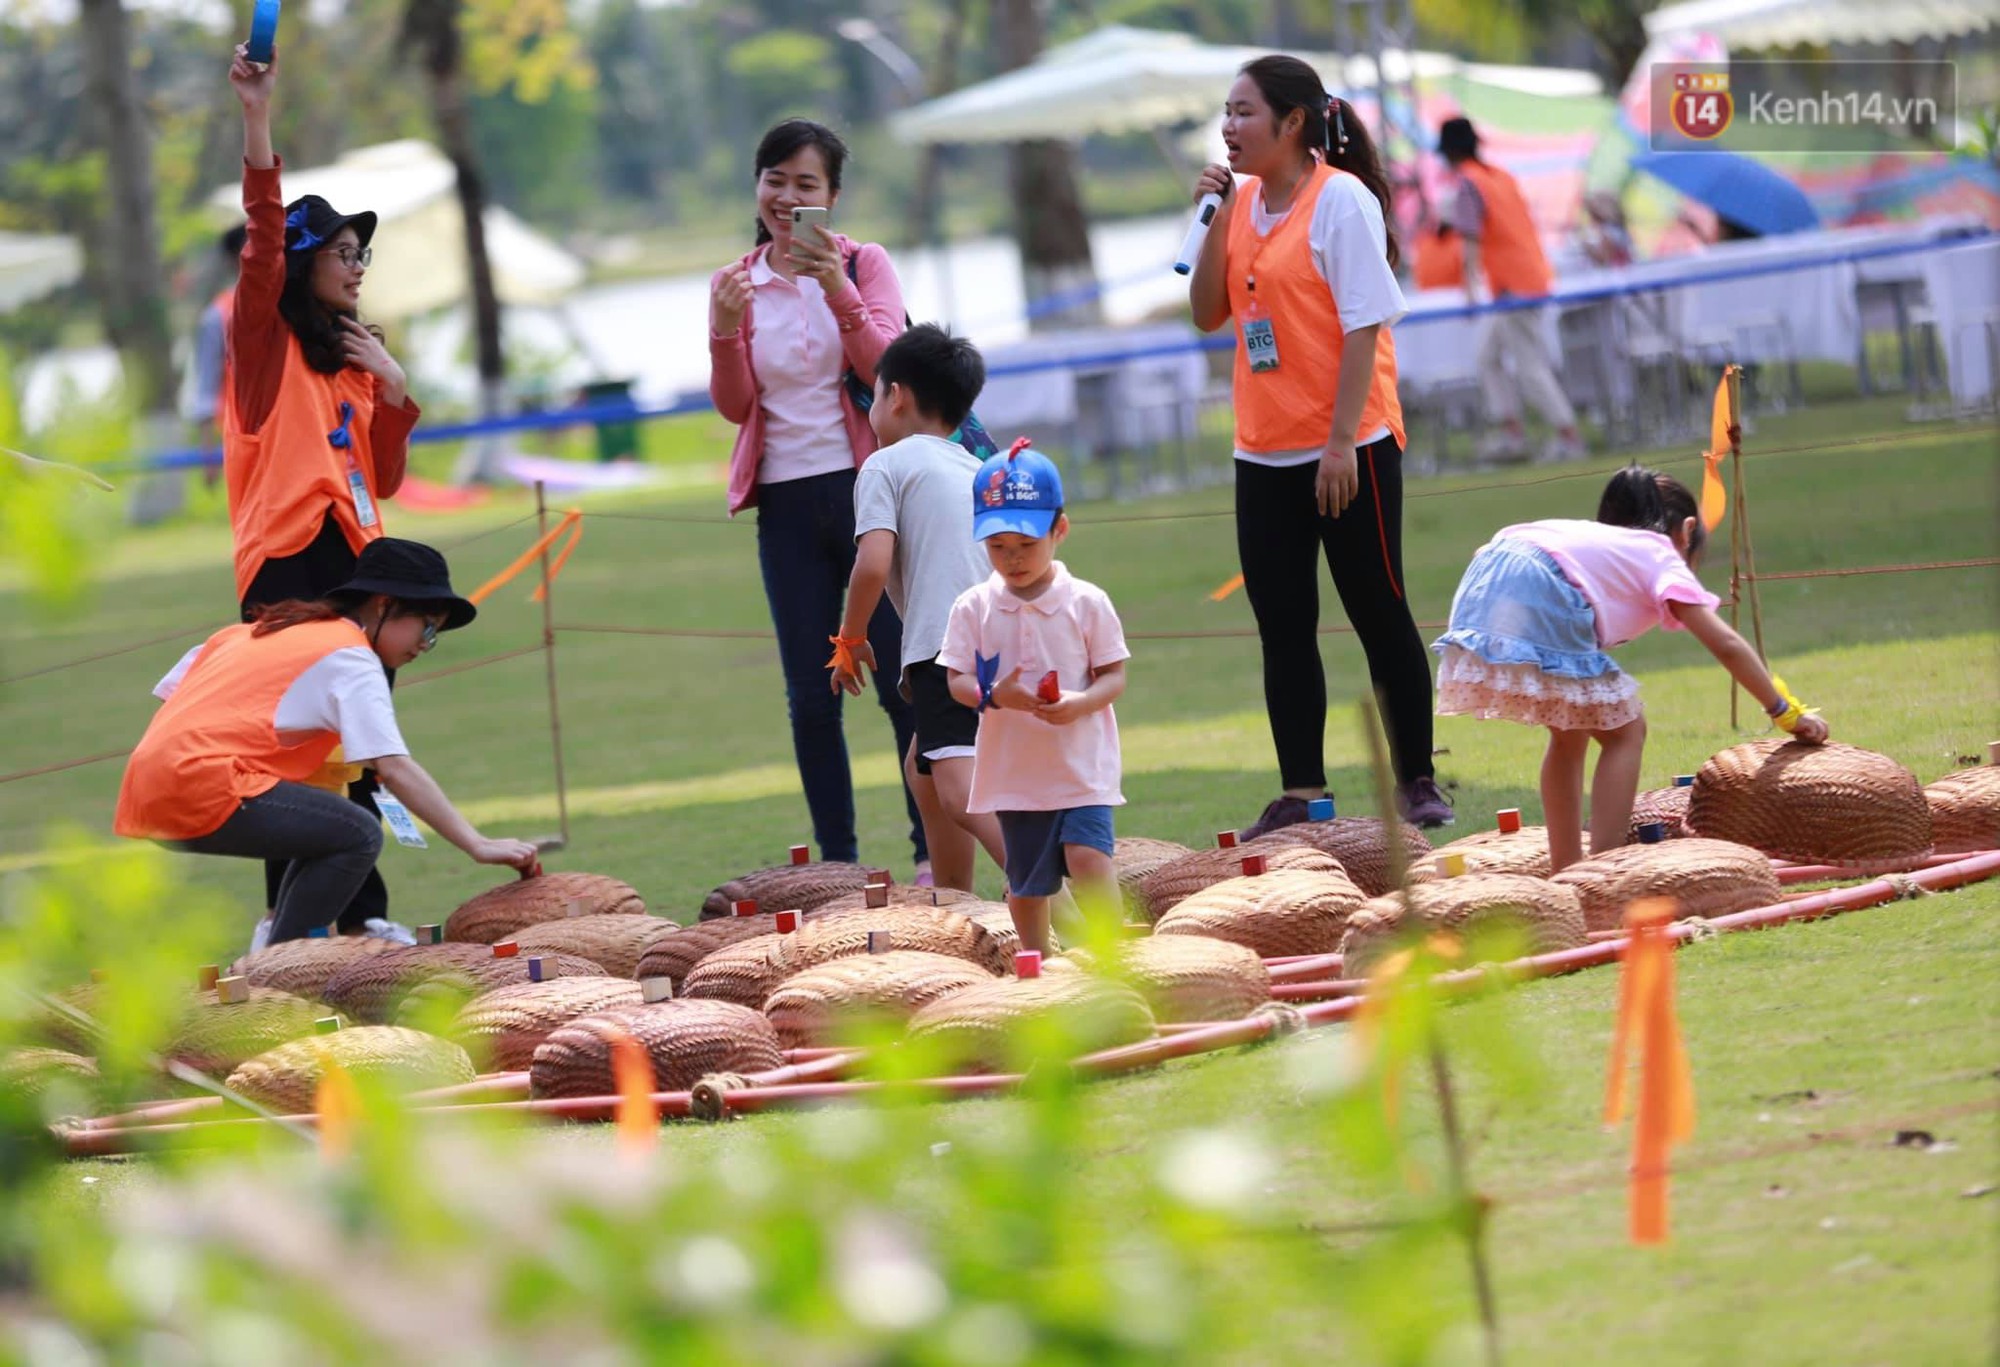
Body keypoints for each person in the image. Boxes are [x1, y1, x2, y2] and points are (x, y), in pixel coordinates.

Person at [1186, 54, 1453, 838]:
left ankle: (1418, 780)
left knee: (1379, 609)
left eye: (1244, 113)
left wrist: (1340, 446)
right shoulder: (1235, 206)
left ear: (1293, 123)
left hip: (1350, 444)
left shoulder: (1341, 202)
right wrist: (1210, 220)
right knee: (1284, 624)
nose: (1230, 128)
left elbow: (1364, 325)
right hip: (1262, 451)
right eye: (1226, 114)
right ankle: (1304, 790)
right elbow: (1208, 313)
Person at [226, 42, 420, 941]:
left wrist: (389, 385)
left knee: (359, 740)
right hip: (287, 564)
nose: (358, 265)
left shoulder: (346, 363)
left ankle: (360, 915)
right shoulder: (262, 351)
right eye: (344, 251)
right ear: (306, 263)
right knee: (297, 748)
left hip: (353, 556)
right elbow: (263, 243)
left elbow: (381, 476)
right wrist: (258, 117)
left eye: (363, 253)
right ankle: (287, 924)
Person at [114, 539, 540, 945]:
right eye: (426, 629)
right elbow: (393, 767)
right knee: (358, 831)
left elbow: (177, 692)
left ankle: (277, 954)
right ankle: (280, 970)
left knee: (329, 828)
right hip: (202, 784)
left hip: (147, 785)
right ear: (383, 605)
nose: (425, 647)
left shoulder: (254, 632)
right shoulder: (351, 656)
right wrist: (477, 844)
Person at [708, 117, 928, 877]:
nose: (786, 196)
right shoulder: (736, 281)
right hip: (786, 504)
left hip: (872, 490)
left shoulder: (864, 264)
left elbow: (887, 368)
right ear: (757, 185)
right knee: (811, 694)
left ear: (832, 197)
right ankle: (838, 862)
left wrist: (836, 288)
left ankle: (930, 851)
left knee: (905, 676)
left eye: (806, 184)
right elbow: (736, 406)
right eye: (775, 179)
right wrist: (723, 331)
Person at [1432, 467, 1830, 873]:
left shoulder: (1603, 541)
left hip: (1488, 575)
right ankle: (1601, 867)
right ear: (1686, 531)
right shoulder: (1659, 552)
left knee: (1570, 733)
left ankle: (1567, 868)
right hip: (1541, 583)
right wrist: (1783, 710)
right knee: (1627, 731)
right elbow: (1725, 644)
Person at [829, 325, 1007, 893]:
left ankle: (1052, 889)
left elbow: (873, 565)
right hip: (1001, 641)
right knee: (923, 771)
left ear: (896, 395)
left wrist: (850, 640)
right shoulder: (971, 467)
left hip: (944, 648)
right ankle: (955, 901)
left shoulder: (884, 464)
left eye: (874, 393)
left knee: (958, 788)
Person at [939, 445, 1129, 956]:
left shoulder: (1087, 601)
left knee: (1089, 857)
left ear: (1060, 530)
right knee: (1027, 884)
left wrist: (1082, 702)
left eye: (1026, 542)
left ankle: (1118, 959)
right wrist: (992, 695)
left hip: (1081, 766)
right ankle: (1037, 968)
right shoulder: (973, 607)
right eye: (997, 546)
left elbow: (1114, 676)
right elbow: (956, 680)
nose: (1012, 558)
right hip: (1015, 775)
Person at [1437, 115, 1587, 464]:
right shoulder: (1498, 176)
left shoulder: (1470, 183)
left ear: (1451, 152)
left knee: (1530, 366)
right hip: (1524, 280)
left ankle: (1569, 436)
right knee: (1487, 357)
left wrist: (1471, 286)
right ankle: (1512, 432)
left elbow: (1472, 238)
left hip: (1513, 287)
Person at [179, 223, 248, 486]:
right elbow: (205, 387)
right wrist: (209, 454)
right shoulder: (218, 315)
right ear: (234, 259)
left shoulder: (291, 303)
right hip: (241, 434)